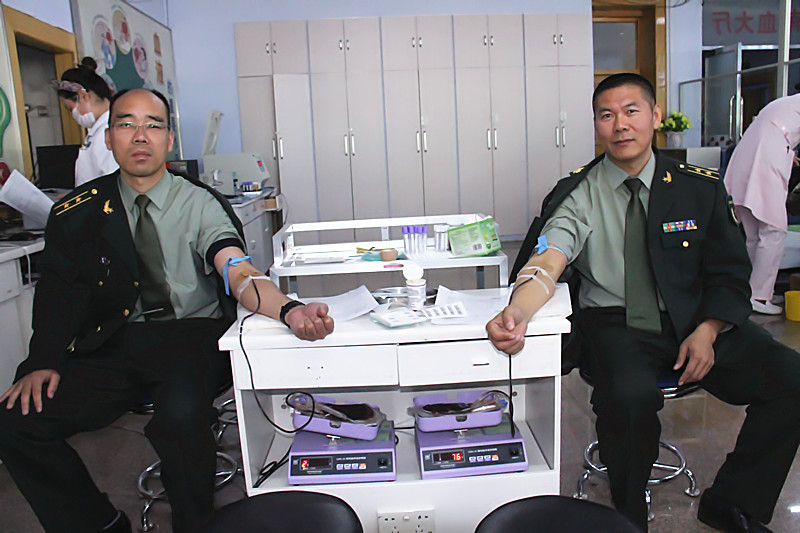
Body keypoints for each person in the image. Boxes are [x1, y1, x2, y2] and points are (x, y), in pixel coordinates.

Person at [0, 88, 334, 533]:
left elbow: (237, 270)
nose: (140, 135)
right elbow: (58, 294)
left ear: (169, 139)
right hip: (112, 340)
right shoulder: (77, 213)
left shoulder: (199, 202)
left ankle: (195, 524)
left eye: (153, 125)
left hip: (190, 335)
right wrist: (41, 360)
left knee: (180, 419)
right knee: (14, 422)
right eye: (126, 124)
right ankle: (98, 523)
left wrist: (289, 310)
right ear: (108, 138)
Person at [487, 73, 800, 532]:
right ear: (596, 125)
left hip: (694, 317)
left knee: (792, 378)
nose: (620, 124)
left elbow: (730, 272)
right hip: (615, 322)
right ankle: (628, 517)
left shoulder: (699, 188)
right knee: (628, 397)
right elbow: (548, 260)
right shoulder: (579, 192)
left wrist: (709, 329)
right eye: (606, 115)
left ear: (654, 116)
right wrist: (518, 311)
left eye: (631, 111)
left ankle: (733, 503)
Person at [724, 92, 800, 315]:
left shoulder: (788, 102)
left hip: (752, 152)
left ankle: (751, 290)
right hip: (766, 152)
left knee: (755, 234)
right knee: (774, 229)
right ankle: (759, 295)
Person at [53, 57, 118, 186]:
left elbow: (113, 184)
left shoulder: (108, 132)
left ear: (83, 96)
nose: (72, 114)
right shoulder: (99, 130)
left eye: (70, 108)